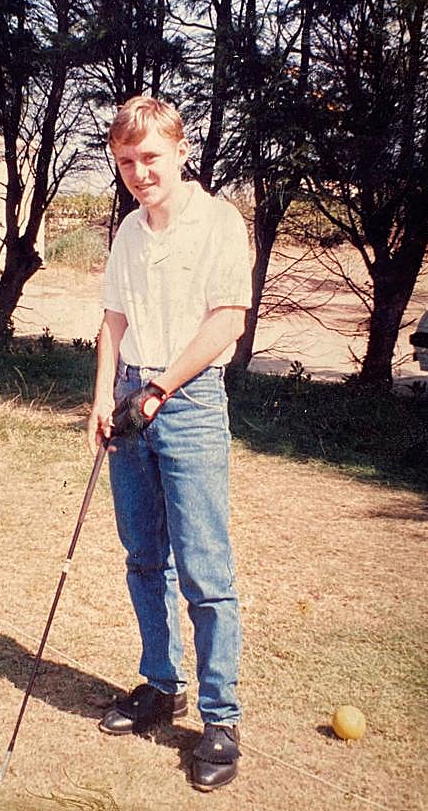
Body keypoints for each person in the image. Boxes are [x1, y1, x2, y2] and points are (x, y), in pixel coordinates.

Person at [87, 95, 252, 792]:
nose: (138, 171)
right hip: (129, 397)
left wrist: (156, 392)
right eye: (125, 160)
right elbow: (113, 318)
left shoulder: (219, 222)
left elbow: (227, 324)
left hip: (186, 402)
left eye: (149, 157)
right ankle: (161, 685)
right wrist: (103, 395)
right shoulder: (128, 229)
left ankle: (219, 718)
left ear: (181, 151)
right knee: (141, 555)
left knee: (205, 570)